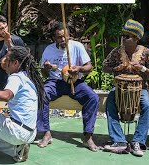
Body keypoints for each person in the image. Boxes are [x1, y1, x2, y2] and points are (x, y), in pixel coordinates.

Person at [37, 21, 99, 151]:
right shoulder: (49, 49)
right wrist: (47, 68)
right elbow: (43, 73)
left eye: (65, 36)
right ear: (54, 38)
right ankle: (46, 133)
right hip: (55, 82)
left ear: (69, 35)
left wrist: (79, 68)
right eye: (59, 37)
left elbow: (89, 67)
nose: (63, 39)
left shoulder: (77, 46)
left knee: (92, 97)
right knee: (41, 94)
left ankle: (88, 136)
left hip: (75, 82)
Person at [102, 19, 149, 157]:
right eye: (123, 35)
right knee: (110, 102)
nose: (123, 38)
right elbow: (105, 67)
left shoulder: (145, 52)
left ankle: (138, 141)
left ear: (136, 38)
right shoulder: (117, 51)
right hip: (119, 87)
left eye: (126, 36)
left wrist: (143, 68)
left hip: (141, 88)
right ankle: (119, 141)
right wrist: (115, 68)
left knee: (147, 105)